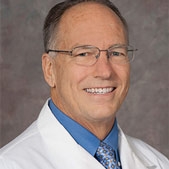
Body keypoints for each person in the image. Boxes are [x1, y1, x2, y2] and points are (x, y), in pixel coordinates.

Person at [0, 0, 169, 168]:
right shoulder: (10, 164)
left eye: (116, 52)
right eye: (83, 54)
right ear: (49, 69)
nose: (105, 72)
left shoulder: (158, 162)